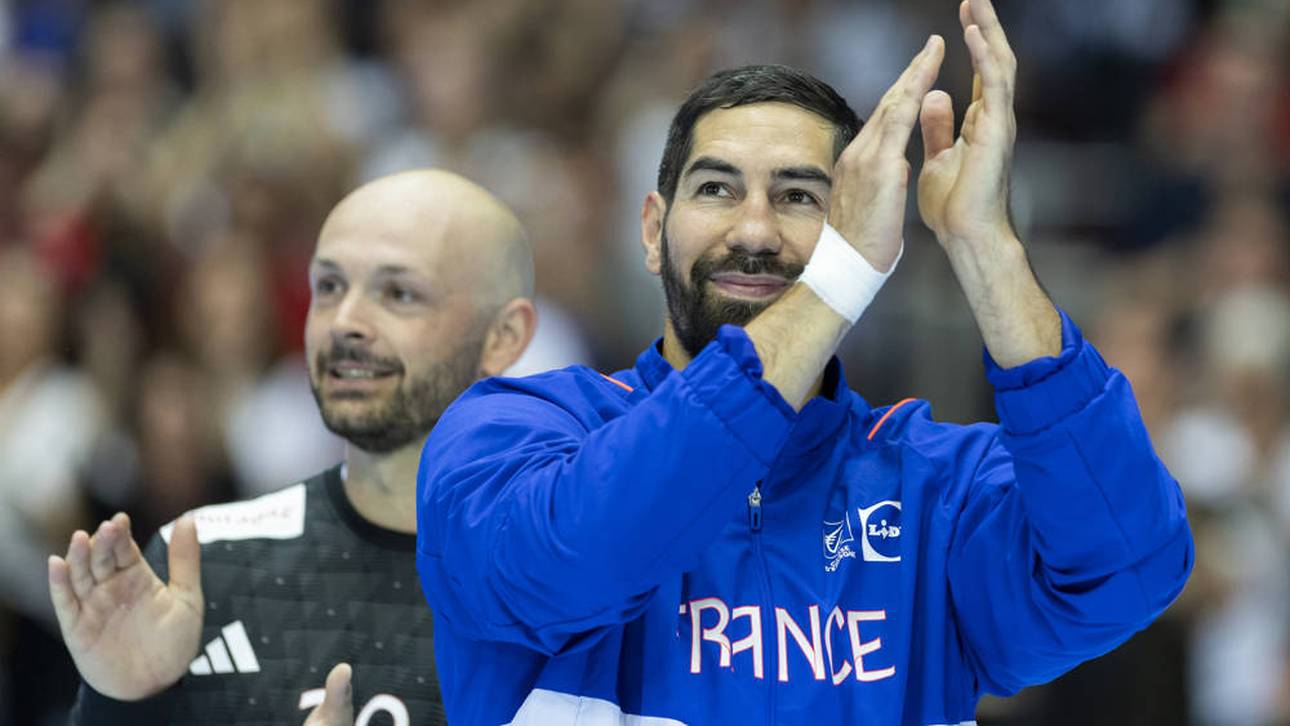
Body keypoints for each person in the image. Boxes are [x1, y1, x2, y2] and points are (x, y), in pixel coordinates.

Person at [415, 1, 1194, 724]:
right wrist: (838, 277)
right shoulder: (511, 437)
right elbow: (581, 557)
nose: (755, 229)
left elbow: (1125, 570)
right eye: (718, 188)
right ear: (652, 230)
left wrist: (984, 245)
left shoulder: (938, 491)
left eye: (800, 197)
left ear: (869, 225)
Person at [48, 169, 537, 725]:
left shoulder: (571, 579)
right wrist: (118, 701)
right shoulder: (203, 562)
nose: (346, 322)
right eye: (328, 287)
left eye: (399, 293)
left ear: (504, 337)